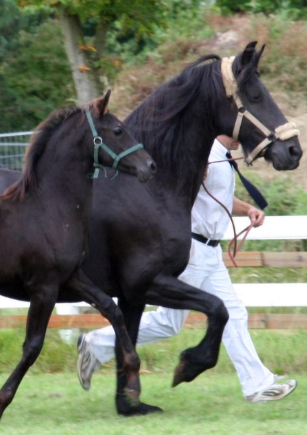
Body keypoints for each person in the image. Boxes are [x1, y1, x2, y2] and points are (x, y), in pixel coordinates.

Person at [77, 135, 297, 403]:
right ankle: (95, 345)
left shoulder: (222, 156)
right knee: (169, 322)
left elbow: (219, 198)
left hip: (211, 251)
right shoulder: (204, 152)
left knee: (233, 312)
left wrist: (248, 208)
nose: (244, 139)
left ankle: (257, 385)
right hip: (193, 249)